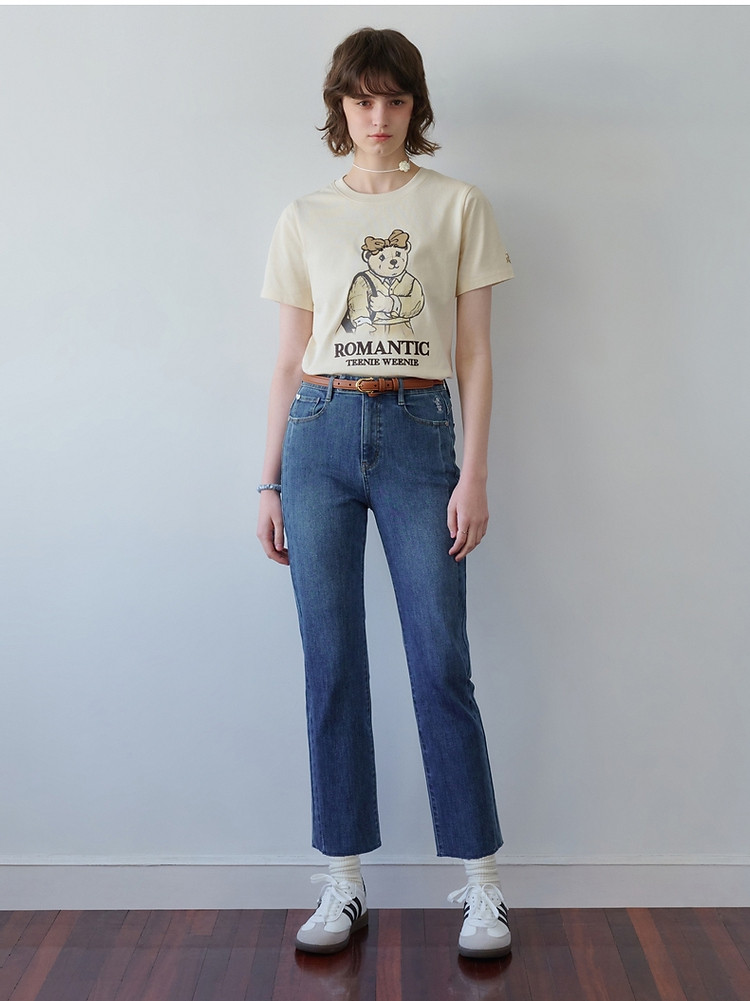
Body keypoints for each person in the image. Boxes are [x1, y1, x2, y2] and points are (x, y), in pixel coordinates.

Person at [257, 27, 514, 960]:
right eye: (362, 99)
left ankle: (482, 887)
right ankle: (344, 878)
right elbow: (288, 358)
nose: (378, 116)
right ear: (341, 106)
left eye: (394, 99)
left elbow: (475, 353)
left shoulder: (457, 205)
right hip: (319, 433)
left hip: (419, 432)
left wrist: (473, 472)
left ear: (415, 106)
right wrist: (269, 478)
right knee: (331, 661)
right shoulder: (305, 216)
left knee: (440, 660)